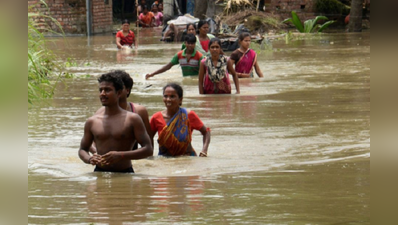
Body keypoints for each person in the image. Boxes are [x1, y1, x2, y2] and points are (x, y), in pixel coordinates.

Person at [78, 71, 153, 173]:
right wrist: (90, 159)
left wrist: (121, 155)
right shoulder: (92, 121)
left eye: (107, 90)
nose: (103, 94)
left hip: (125, 173)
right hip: (99, 172)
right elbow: (83, 149)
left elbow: (148, 149)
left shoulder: (132, 119)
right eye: (101, 90)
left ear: (118, 93)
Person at [89, 70, 152, 154]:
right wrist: (97, 154)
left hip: (130, 160)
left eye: (119, 87)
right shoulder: (100, 112)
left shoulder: (138, 112)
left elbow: (149, 144)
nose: (104, 93)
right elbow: (90, 142)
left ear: (127, 90)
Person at [149, 83, 210, 157]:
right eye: (165, 96)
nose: (168, 99)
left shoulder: (188, 115)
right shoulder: (156, 117)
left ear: (180, 99)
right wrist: (150, 156)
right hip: (165, 161)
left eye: (172, 96)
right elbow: (148, 137)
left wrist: (204, 151)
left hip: (187, 159)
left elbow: (206, 132)